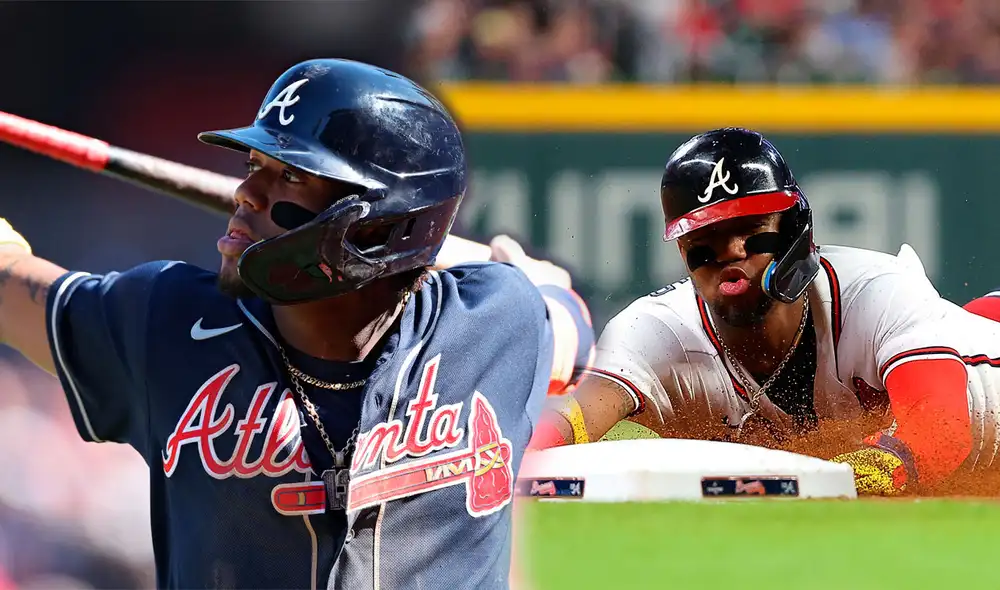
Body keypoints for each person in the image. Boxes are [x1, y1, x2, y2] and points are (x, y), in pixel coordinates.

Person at [0, 58, 593, 589]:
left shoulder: (494, 320)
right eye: (254, 164)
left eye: (289, 175)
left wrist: (537, 286)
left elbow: (570, 330)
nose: (245, 193)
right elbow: (7, 281)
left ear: (375, 223)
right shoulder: (168, 322)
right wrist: (539, 279)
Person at [528, 126, 1000, 497]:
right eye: (705, 241)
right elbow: (569, 417)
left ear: (795, 228)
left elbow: (942, 431)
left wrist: (844, 478)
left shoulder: (874, 292)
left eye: (751, 227)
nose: (730, 250)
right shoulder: (655, 331)